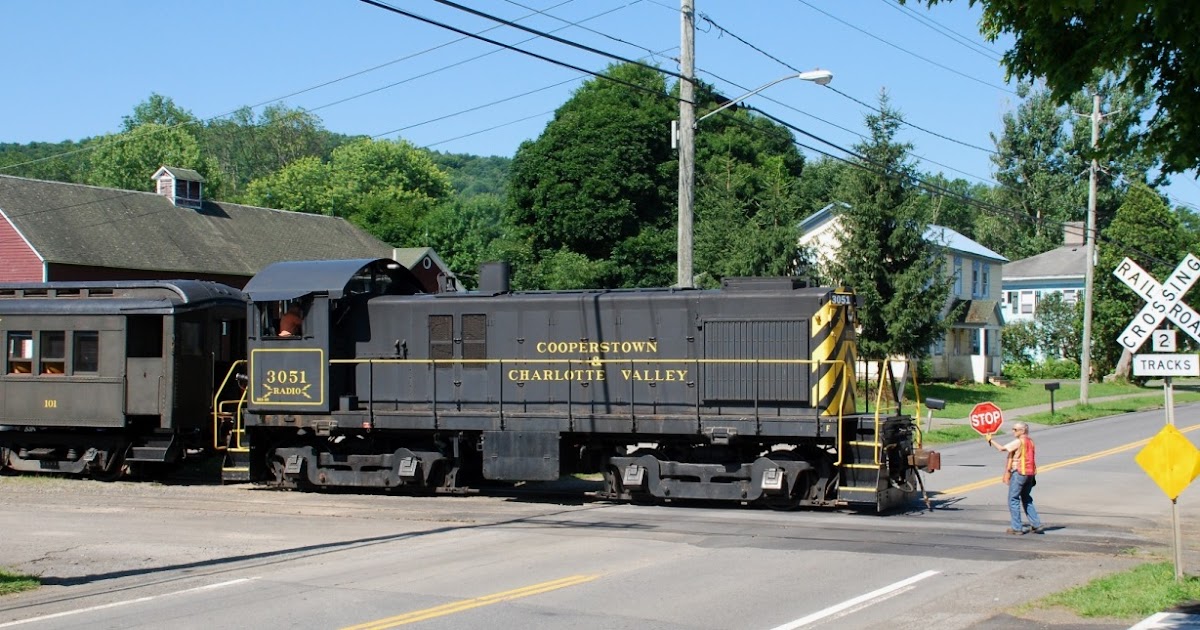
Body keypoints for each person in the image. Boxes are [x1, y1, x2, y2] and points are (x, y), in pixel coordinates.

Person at [988, 421, 1043, 535]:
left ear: (1022, 431)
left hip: (1020, 473)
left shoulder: (1019, 441)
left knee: (1013, 499)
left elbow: (1002, 449)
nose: (1013, 431)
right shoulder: (1030, 441)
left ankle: (1017, 527)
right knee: (1026, 498)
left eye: (1015, 429)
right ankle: (1036, 524)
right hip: (1030, 474)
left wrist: (990, 440)